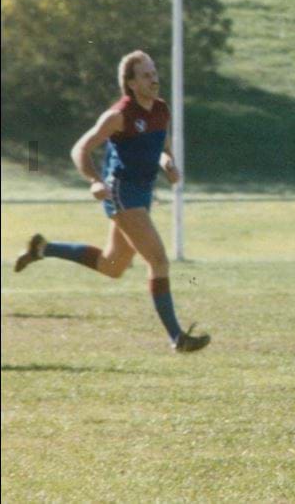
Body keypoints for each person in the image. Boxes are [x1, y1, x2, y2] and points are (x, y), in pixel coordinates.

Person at [13, 51, 210, 353]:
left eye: (154, 72)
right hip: (121, 192)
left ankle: (42, 248)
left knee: (112, 265)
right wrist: (94, 180)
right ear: (130, 83)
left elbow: (162, 148)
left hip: (143, 192)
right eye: (145, 75)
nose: (154, 78)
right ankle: (177, 338)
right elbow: (81, 149)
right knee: (158, 260)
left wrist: (168, 163)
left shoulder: (161, 109)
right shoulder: (118, 115)